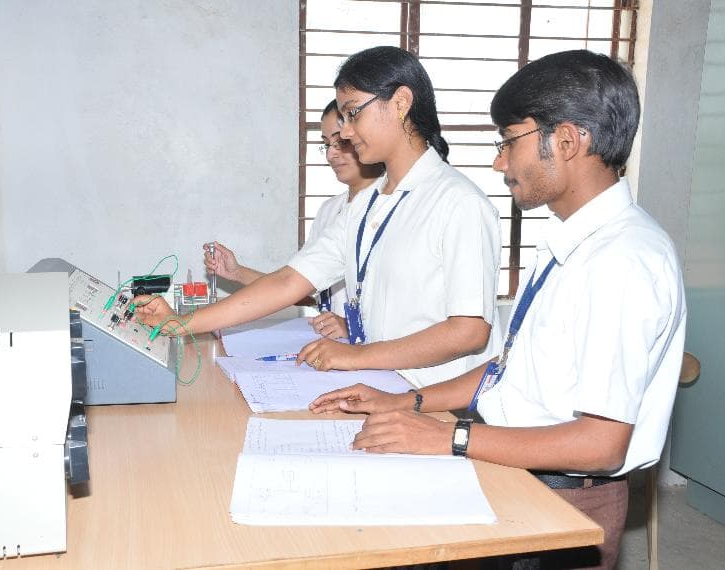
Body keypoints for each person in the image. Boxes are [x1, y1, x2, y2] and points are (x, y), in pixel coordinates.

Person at [309, 50, 686, 570]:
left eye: (510, 142)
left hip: (561, 496)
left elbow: (601, 444)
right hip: (510, 464)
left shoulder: (621, 259)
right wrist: (409, 403)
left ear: (568, 141)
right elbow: (510, 370)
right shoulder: (569, 240)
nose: (499, 162)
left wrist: (449, 435)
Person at [136, 46, 502, 388]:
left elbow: (469, 331)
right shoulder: (367, 204)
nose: (344, 131)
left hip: (440, 404)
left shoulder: (459, 204)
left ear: (401, 103)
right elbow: (288, 283)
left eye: (353, 112)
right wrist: (182, 323)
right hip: (382, 389)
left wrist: (359, 355)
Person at [203, 99, 384, 340]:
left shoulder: (389, 209)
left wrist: (351, 326)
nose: (331, 154)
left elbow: (404, 312)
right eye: (326, 144)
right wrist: (237, 273)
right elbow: (301, 289)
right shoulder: (330, 211)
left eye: (340, 142)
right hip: (329, 349)